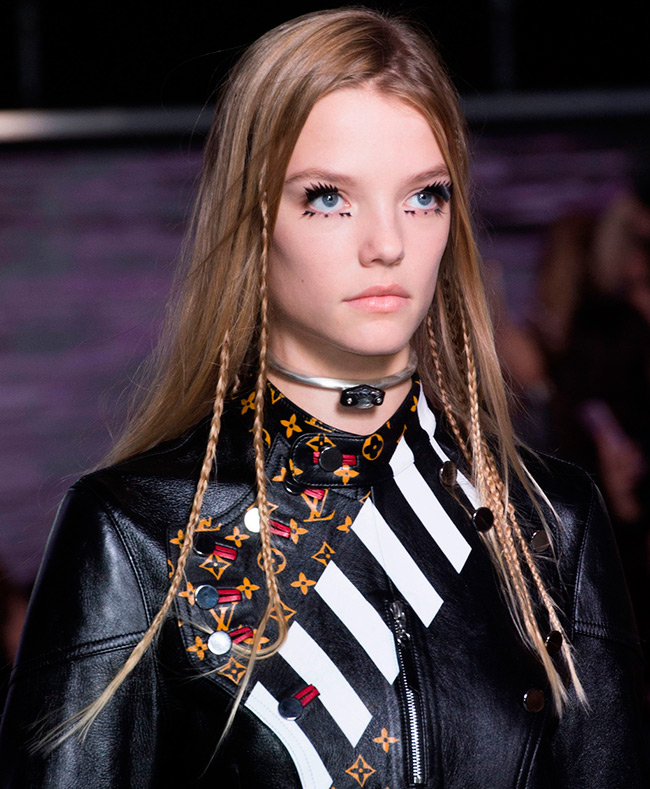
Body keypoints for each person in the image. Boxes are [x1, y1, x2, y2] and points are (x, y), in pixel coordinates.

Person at [0, 8, 647, 788]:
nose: (388, 243)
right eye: (330, 197)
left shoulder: (548, 524)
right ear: (252, 217)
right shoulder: (138, 534)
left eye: (424, 196)